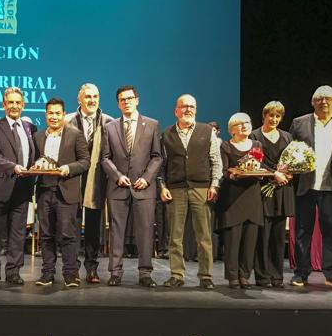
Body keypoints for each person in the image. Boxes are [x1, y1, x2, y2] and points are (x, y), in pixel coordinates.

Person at [101, 85, 162, 287]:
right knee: (116, 232)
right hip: (118, 188)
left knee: (145, 231)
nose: (126, 102)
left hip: (143, 188)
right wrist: (117, 176)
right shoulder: (109, 127)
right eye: (122, 99)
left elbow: (157, 156)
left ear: (137, 100)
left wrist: (147, 178)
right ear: (118, 103)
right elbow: (105, 158)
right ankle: (115, 272)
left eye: (129, 98)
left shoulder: (152, 125)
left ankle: (145, 273)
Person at [159, 94, 221, 290]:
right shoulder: (166, 134)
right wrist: (162, 187)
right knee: (175, 236)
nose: (188, 109)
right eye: (183, 106)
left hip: (201, 188)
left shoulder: (206, 131)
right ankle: (177, 275)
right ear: (176, 111)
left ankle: (206, 275)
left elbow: (216, 160)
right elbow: (161, 164)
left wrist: (214, 185)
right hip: (175, 189)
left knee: (204, 235)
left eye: (191, 106)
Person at [289, 85, 332, 288]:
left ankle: (330, 273)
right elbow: (290, 152)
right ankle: (301, 273)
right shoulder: (299, 123)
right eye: (319, 99)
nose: (324, 102)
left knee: (330, 231)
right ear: (312, 102)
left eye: (328, 98)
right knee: (303, 231)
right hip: (306, 186)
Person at [0, 87, 37, 285]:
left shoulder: (30, 127)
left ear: (23, 105)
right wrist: (14, 167)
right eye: (10, 102)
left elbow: (34, 155)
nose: (14, 106)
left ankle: (13, 271)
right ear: (3, 105)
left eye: (17, 102)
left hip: (22, 189)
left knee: (18, 233)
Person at [33, 98, 89, 287]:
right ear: (46, 114)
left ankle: (70, 274)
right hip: (44, 191)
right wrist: (36, 165)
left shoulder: (75, 135)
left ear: (64, 115)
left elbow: (85, 161)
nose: (54, 117)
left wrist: (68, 168)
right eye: (50, 113)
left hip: (66, 192)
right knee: (47, 235)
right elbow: (33, 162)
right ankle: (47, 273)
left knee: (67, 235)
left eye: (58, 113)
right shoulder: (38, 136)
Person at [64, 83, 114, 283]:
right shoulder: (67, 120)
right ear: (79, 99)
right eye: (87, 97)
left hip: (97, 180)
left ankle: (92, 268)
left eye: (95, 96)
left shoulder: (108, 121)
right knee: (72, 225)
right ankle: (72, 267)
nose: (92, 100)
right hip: (73, 179)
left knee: (94, 226)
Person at [250, 101, 294, 288]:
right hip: (264, 190)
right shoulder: (255, 136)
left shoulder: (287, 137)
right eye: (271, 115)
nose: (274, 119)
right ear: (264, 116)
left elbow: (293, 161)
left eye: (278, 116)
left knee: (277, 237)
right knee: (263, 236)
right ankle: (262, 277)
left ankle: (277, 277)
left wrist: (289, 173)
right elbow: (255, 162)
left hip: (283, 191)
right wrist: (273, 174)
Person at [217, 112, 263, 289]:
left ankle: (245, 275)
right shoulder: (226, 146)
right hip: (233, 198)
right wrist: (235, 174)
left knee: (250, 240)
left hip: (252, 197)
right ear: (232, 129)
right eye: (240, 124)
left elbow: (260, 167)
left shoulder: (257, 145)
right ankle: (233, 276)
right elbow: (224, 171)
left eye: (247, 123)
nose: (245, 126)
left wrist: (264, 173)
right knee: (233, 240)